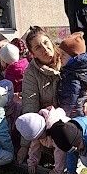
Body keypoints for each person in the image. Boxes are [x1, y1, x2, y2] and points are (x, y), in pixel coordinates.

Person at [16, 26, 62, 164]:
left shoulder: (67, 56)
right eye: (38, 48)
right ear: (33, 54)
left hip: (72, 112)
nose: (45, 49)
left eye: (46, 43)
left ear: (51, 42)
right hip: (49, 120)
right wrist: (25, 146)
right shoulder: (31, 73)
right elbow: (30, 105)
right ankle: (47, 148)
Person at [15, 107, 69, 174]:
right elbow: (34, 147)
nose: (39, 139)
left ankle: (74, 164)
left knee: (65, 154)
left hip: (69, 144)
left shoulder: (56, 130)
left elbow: (60, 151)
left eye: (39, 137)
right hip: (54, 143)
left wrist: (58, 170)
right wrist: (32, 163)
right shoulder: (38, 127)